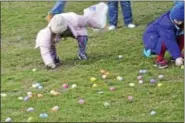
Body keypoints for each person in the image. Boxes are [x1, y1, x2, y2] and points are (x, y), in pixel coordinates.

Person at [35, 2, 108, 69]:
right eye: (56, 32)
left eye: (59, 31)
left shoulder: (75, 18)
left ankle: (81, 53)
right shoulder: (46, 33)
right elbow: (44, 48)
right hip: (58, 33)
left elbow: (88, 20)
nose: (58, 33)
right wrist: (49, 62)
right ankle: (54, 59)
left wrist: (99, 25)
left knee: (83, 37)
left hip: (74, 30)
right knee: (50, 44)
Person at [143, 2, 184, 68]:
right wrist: (177, 56)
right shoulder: (165, 24)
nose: (179, 22)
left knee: (182, 36)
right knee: (164, 41)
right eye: (177, 20)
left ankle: (175, 56)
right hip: (152, 39)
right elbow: (170, 41)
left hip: (164, 36)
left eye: (181, 20)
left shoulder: (174, 17)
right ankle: (159, 60)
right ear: (173, 16)